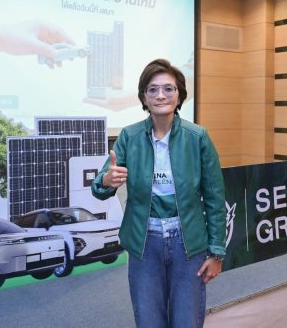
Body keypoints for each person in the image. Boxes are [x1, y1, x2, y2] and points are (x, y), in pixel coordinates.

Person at [92, 59, 226, 328]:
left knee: (187, 320)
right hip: (145, 242)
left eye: (168, 88)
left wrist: (216, 253)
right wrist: (106, 180)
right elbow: (100, 187)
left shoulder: (197, 137)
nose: (160, 95)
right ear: (144, 97)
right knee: (149, 320)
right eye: (152, 89)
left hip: (188, 242)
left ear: (179, 95)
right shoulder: (129, 136)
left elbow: (215, 198)